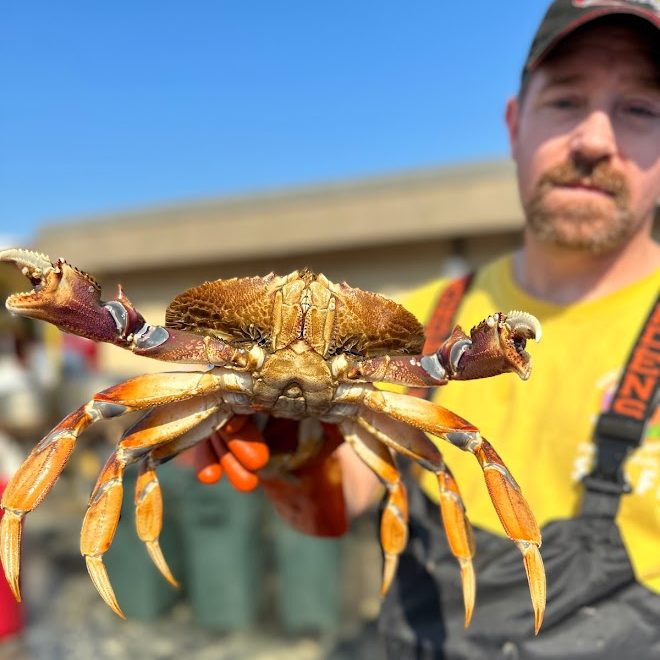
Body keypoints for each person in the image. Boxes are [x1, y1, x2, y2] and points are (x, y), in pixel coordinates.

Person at [195, 1, 660, 657]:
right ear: (513, 125)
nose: (593, 140)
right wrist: (288, 454)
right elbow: (338, 502)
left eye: (639, 109)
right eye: (565, 100)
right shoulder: (407, 327)